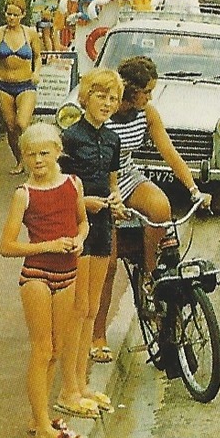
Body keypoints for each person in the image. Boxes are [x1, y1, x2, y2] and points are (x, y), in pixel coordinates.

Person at [88, 56, 208, 365]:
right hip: (100, 187)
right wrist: (109, 201)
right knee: (109, 264)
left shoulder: (147, 114)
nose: (151, 98)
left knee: (160, 206)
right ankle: (98, 333)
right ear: (131, 91)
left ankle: (150, 272)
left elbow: (169, 151)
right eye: (147, 92)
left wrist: (194, 189)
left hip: (128, 177)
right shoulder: (105, 114)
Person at [0, 122, 88, 438]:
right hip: (36, 276)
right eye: (31, 155)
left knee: (57, 348)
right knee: (41, 348)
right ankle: (42, 428)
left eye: (44, 153)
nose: (38, 160)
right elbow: (7, 246)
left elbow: (82, 222)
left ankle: (40, 416)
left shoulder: (73, 185)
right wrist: (47, 246)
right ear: (23, 158)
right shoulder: (24, 194)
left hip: (68, 275)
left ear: (58, 153)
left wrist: (78, 240)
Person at [59, 68, 125, 420]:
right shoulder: (70, 138)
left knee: (93, 305)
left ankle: (82, 384)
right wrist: (86, 204)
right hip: (78, 226)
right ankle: (68, 388)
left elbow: (111, 182)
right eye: (101, 96)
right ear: (86, 97)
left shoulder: (112, 140)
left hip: (103, 226)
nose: (107, 103)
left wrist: (116, 202)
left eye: (113, 98)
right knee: (78, 306)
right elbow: (59, 188)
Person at [0, 0, 43, 174]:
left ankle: (35, 158)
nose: (11, 18)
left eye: (15, 15)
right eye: (8, 14)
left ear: (23, 15)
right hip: (3, 85)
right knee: (11, 127)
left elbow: (38, 56)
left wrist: (36, 72)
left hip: (25, 84)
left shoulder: (30, 34)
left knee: (22, 123)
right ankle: (19, 161)